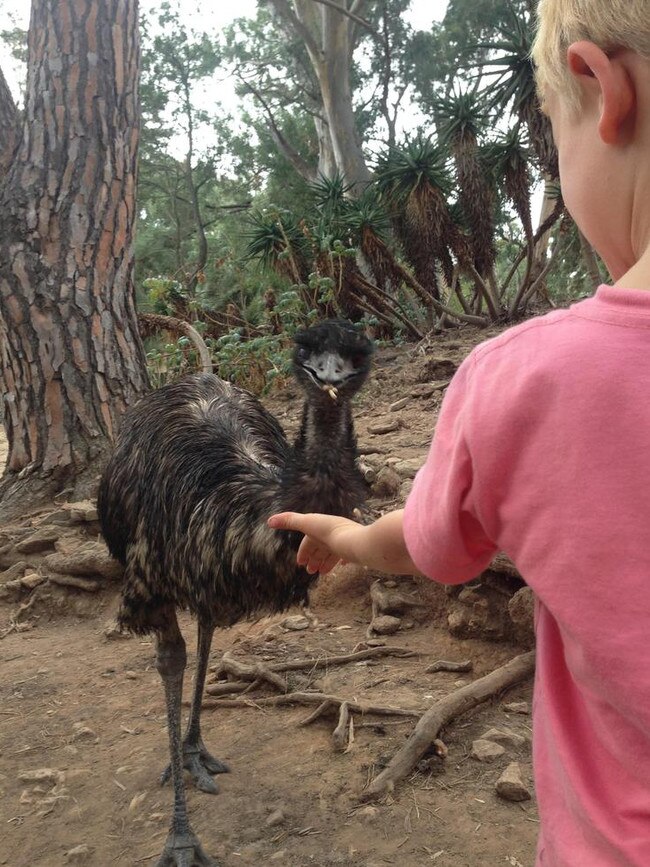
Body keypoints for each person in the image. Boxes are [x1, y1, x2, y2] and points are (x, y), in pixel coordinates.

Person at [268, 1, 650, 863]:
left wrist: (355, 539)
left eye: (552, 128)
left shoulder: (523, 379)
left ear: (601, 86)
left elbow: (439, 548)